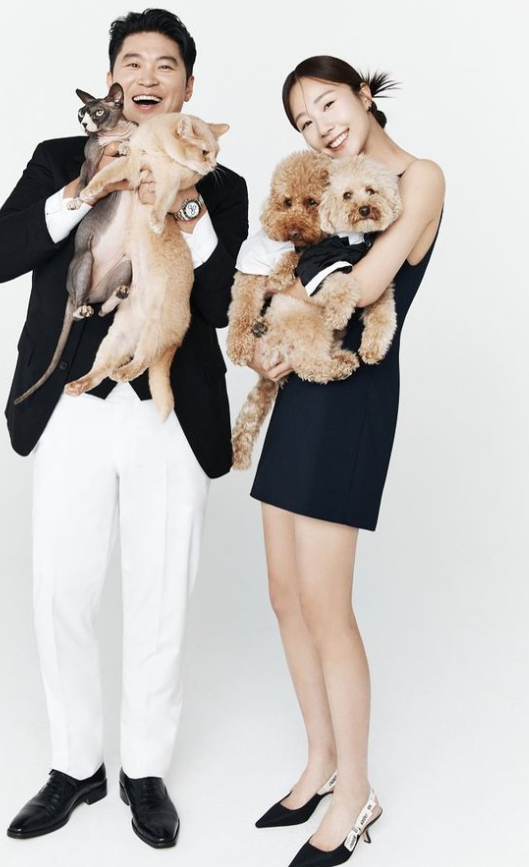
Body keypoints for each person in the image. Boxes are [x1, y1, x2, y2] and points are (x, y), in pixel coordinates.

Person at [0, 8, 248, 849]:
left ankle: (145, 769)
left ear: (188, 85)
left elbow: (215, 305)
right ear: (111, 79)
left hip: (170, 406)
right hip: (72, 400)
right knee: (62, 587)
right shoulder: (60, 156)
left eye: (167, 65)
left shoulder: (224, 185)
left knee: (161, 594)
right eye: (133, 62)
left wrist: (186, 197)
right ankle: (74, 765)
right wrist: (85, 190)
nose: (149, 77)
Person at [239, 56, 445, 867]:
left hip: (353, 392)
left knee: (328, 606)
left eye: (327, 104)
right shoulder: (326, 186)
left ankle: (356, 792)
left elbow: (361, 285)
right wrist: (263, 342)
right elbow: (283, 274)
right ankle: (321, 759)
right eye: (304, 121)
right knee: (284, 594)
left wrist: (282, 309)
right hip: (301, 389)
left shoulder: (418, 177)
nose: (320, 127)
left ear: (362, 94)